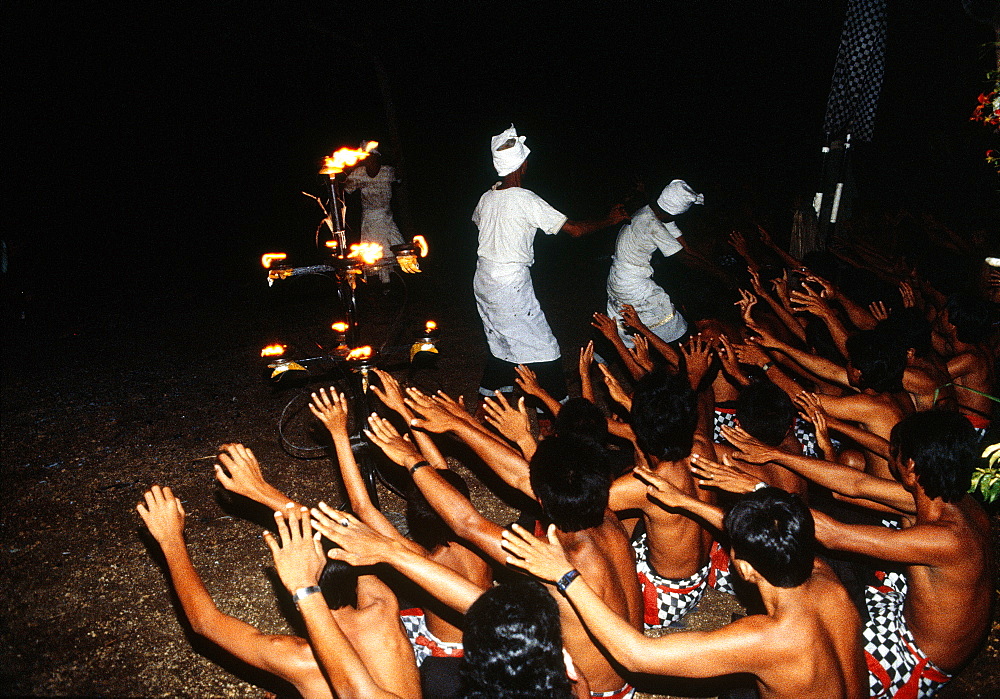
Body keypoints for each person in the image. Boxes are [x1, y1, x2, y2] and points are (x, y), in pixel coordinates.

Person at [502, 486, 868, 699]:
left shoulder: (766, 637)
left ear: (742, 567)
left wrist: (564, 575)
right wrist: (687, 503)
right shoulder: (826, 578)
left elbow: (637, 655)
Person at [472, 124, 627, 403]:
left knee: (502, 345)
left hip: (484, 279)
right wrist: (610, 220)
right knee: (545, 349)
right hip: (509, 283)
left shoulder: (488, 197)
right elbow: (575, 230)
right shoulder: (526, 199)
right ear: (523, 165)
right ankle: (554, 412)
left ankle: (490, 402)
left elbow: (479, 222)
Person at [135, 486, 334, 699]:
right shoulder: (375, 607)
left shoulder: (306, 663)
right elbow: (356, 541)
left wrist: (170, 539)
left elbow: (206, 622)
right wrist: (258, 488)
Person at [606, 179, 704, 347]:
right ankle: (685, 361)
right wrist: (722, 274)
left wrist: (706, 262)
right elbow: (685, 258)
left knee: (628, 330)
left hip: (619, 280)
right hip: (632, 285)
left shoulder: (650, 212)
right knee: (673, 329)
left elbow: (685, 249)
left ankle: (602, 360)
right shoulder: (652, 224)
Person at [343, 142, 405, 284]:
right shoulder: (358, 174)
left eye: (372, 158)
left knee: (397, 251)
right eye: (367, 158)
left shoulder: (387, 171)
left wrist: (397, 159)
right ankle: (381, 284)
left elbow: (399, 178)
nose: (369, 162)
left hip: (387, 218)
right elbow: (345, 189)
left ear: (377, 158)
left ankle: (395, 283)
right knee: (374, 254)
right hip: (370, 220)